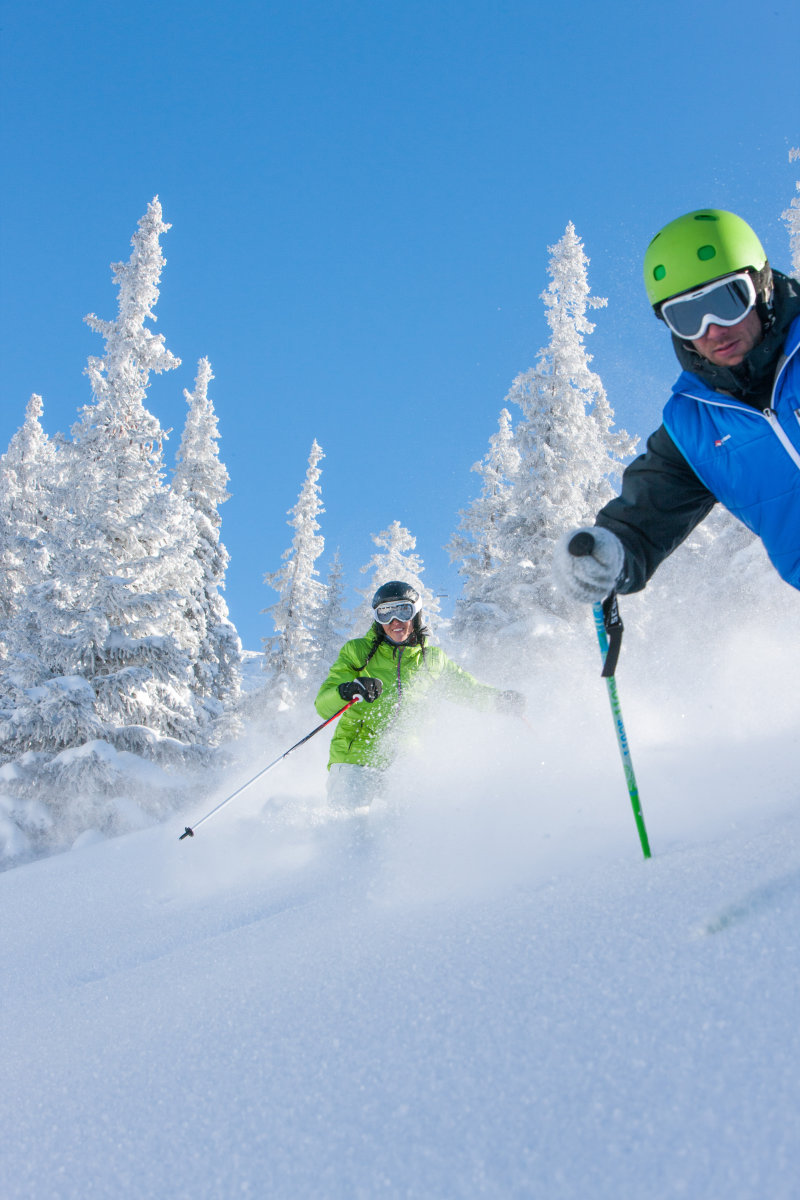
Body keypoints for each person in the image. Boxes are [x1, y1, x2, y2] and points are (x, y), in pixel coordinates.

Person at [552, 208, 800, 603]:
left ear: (762, 285)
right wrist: (608, 556)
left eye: (727, 300)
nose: (713, 329)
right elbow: (643, 523)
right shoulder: (694, 428)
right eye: (687, 316)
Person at [314, 580, 525, 811]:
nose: (395, 622)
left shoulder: (432, 660)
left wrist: (499, 700)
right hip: (354, 758)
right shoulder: (358, 651)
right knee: (348, 829)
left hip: (405, 764)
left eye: (403, 611)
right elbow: (323, 705)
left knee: (409, 831)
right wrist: (348, 689)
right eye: (385, 613)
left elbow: (468, 690)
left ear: (416, 614)